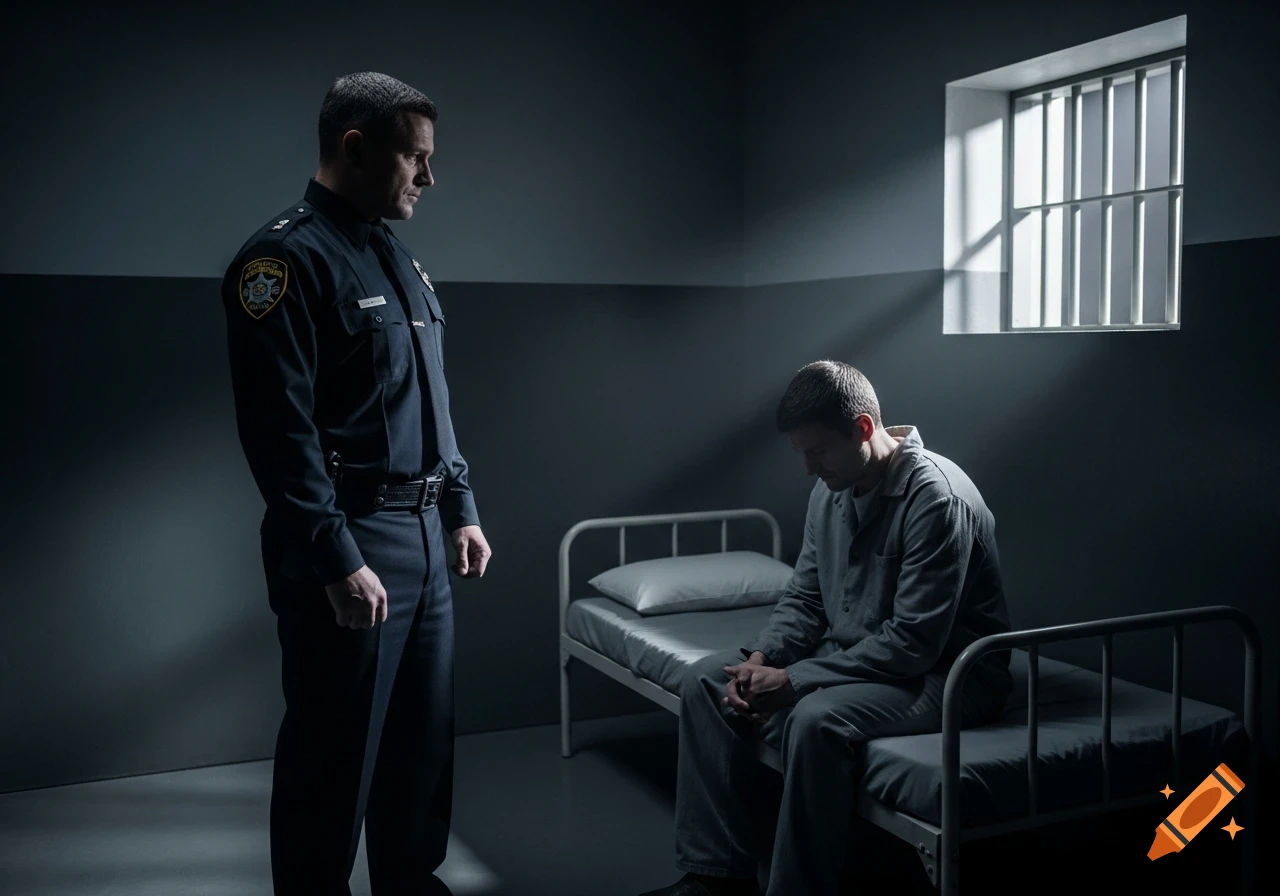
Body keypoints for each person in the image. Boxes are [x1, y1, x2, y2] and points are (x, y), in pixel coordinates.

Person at [221, 71, 492, 896]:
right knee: (333, 759)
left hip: (421, 537)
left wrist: (459, 506)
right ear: (355, 147)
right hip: (349, 542)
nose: (428, 176)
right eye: (415, 158)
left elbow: (430, 400)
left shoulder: (393, 254)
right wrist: (336, 559)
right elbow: (281, 432)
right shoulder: (281, 259)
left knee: (421, 748)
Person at [641, 361, 1013, 896]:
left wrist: (795, 682)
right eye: (801, 453)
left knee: (815, 719)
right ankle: (716, 878)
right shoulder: (832, 488)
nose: (808, 468)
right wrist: (764, 659)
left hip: (948, 675)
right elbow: (807, 596)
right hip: (863, 660)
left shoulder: (936, 498)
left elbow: (914, 643)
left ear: (863, 428)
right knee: (706, 681)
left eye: (817, 451)